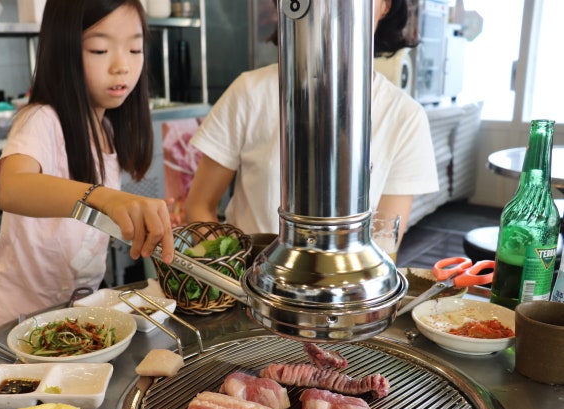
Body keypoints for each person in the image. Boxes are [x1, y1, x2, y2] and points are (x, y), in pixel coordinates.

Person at [0, 0, 174, 331]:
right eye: (99, 50)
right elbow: (12, 187)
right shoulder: (41, 119)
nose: (122, 66)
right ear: (63, 50)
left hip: (68, 325)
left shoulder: (107, 129)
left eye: (135, 49)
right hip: (11, 328)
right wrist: (105, 197)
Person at [185, 0, 438, 244]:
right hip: (251, 281)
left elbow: (384, 241)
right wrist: (231, 273)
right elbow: (199, 205)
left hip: (349, 285)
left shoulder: (405, 117)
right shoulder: (250, 92)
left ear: (385, 6)